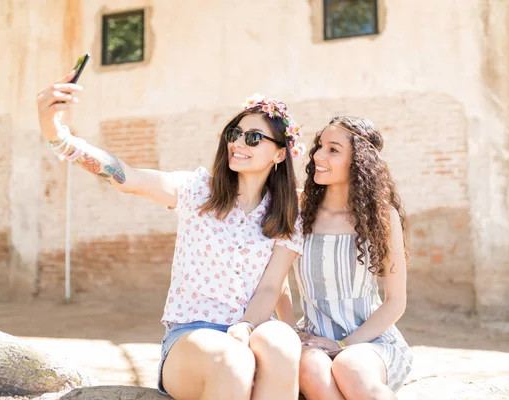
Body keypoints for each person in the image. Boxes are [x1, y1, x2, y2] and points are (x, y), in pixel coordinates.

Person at [36, 75, 306, 400]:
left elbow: (271, 287)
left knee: (283, 343)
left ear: (279, 154)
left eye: (253, 138)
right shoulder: (198, 191)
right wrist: (57, 135)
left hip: (250, 329)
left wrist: (249, 327)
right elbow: (127, 177)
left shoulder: (286, 213)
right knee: (232, 360)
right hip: (193, 337)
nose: (237, 143)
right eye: (234, 134)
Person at [279, 116, 413, 399]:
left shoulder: (382, 217)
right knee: (311, 368)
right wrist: (292, 330)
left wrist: (343, 344)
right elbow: (276, 280)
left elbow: (396, 301)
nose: (318, 155)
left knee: (350, 366)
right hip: (313, 337)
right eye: (319, 145)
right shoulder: (299, 209)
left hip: (370, 342)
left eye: (333, 149)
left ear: (359, 161)